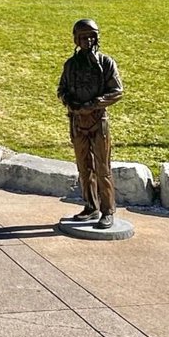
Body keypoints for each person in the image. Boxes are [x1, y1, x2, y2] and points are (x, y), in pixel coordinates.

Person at [56, 19, 124, 229]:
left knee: (102, 168)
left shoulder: (106, 63)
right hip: (77, 122)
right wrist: (71, 103)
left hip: (98, 122)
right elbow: (62, 89)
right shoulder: (70, 65)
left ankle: (107, 210)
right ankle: (91, 205)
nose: (87, 40)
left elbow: (117, 91)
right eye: (83, 37)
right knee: (84, 167)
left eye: (91, 36)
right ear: (76, 40)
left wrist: (94, 104)